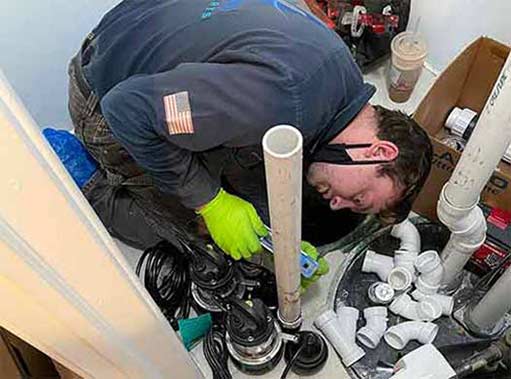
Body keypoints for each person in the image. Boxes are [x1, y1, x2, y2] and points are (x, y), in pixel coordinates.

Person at [68, 0, 432, 290]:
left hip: (149, 20)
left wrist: (279, 243)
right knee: (200, 236)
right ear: (379, 151)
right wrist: (210, 203)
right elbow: (127, 109)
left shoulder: (343, 73)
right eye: (358, 199)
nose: (336, 204)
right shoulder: (276, 101)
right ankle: (84, 180)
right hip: (105, 96)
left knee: (251, 183)